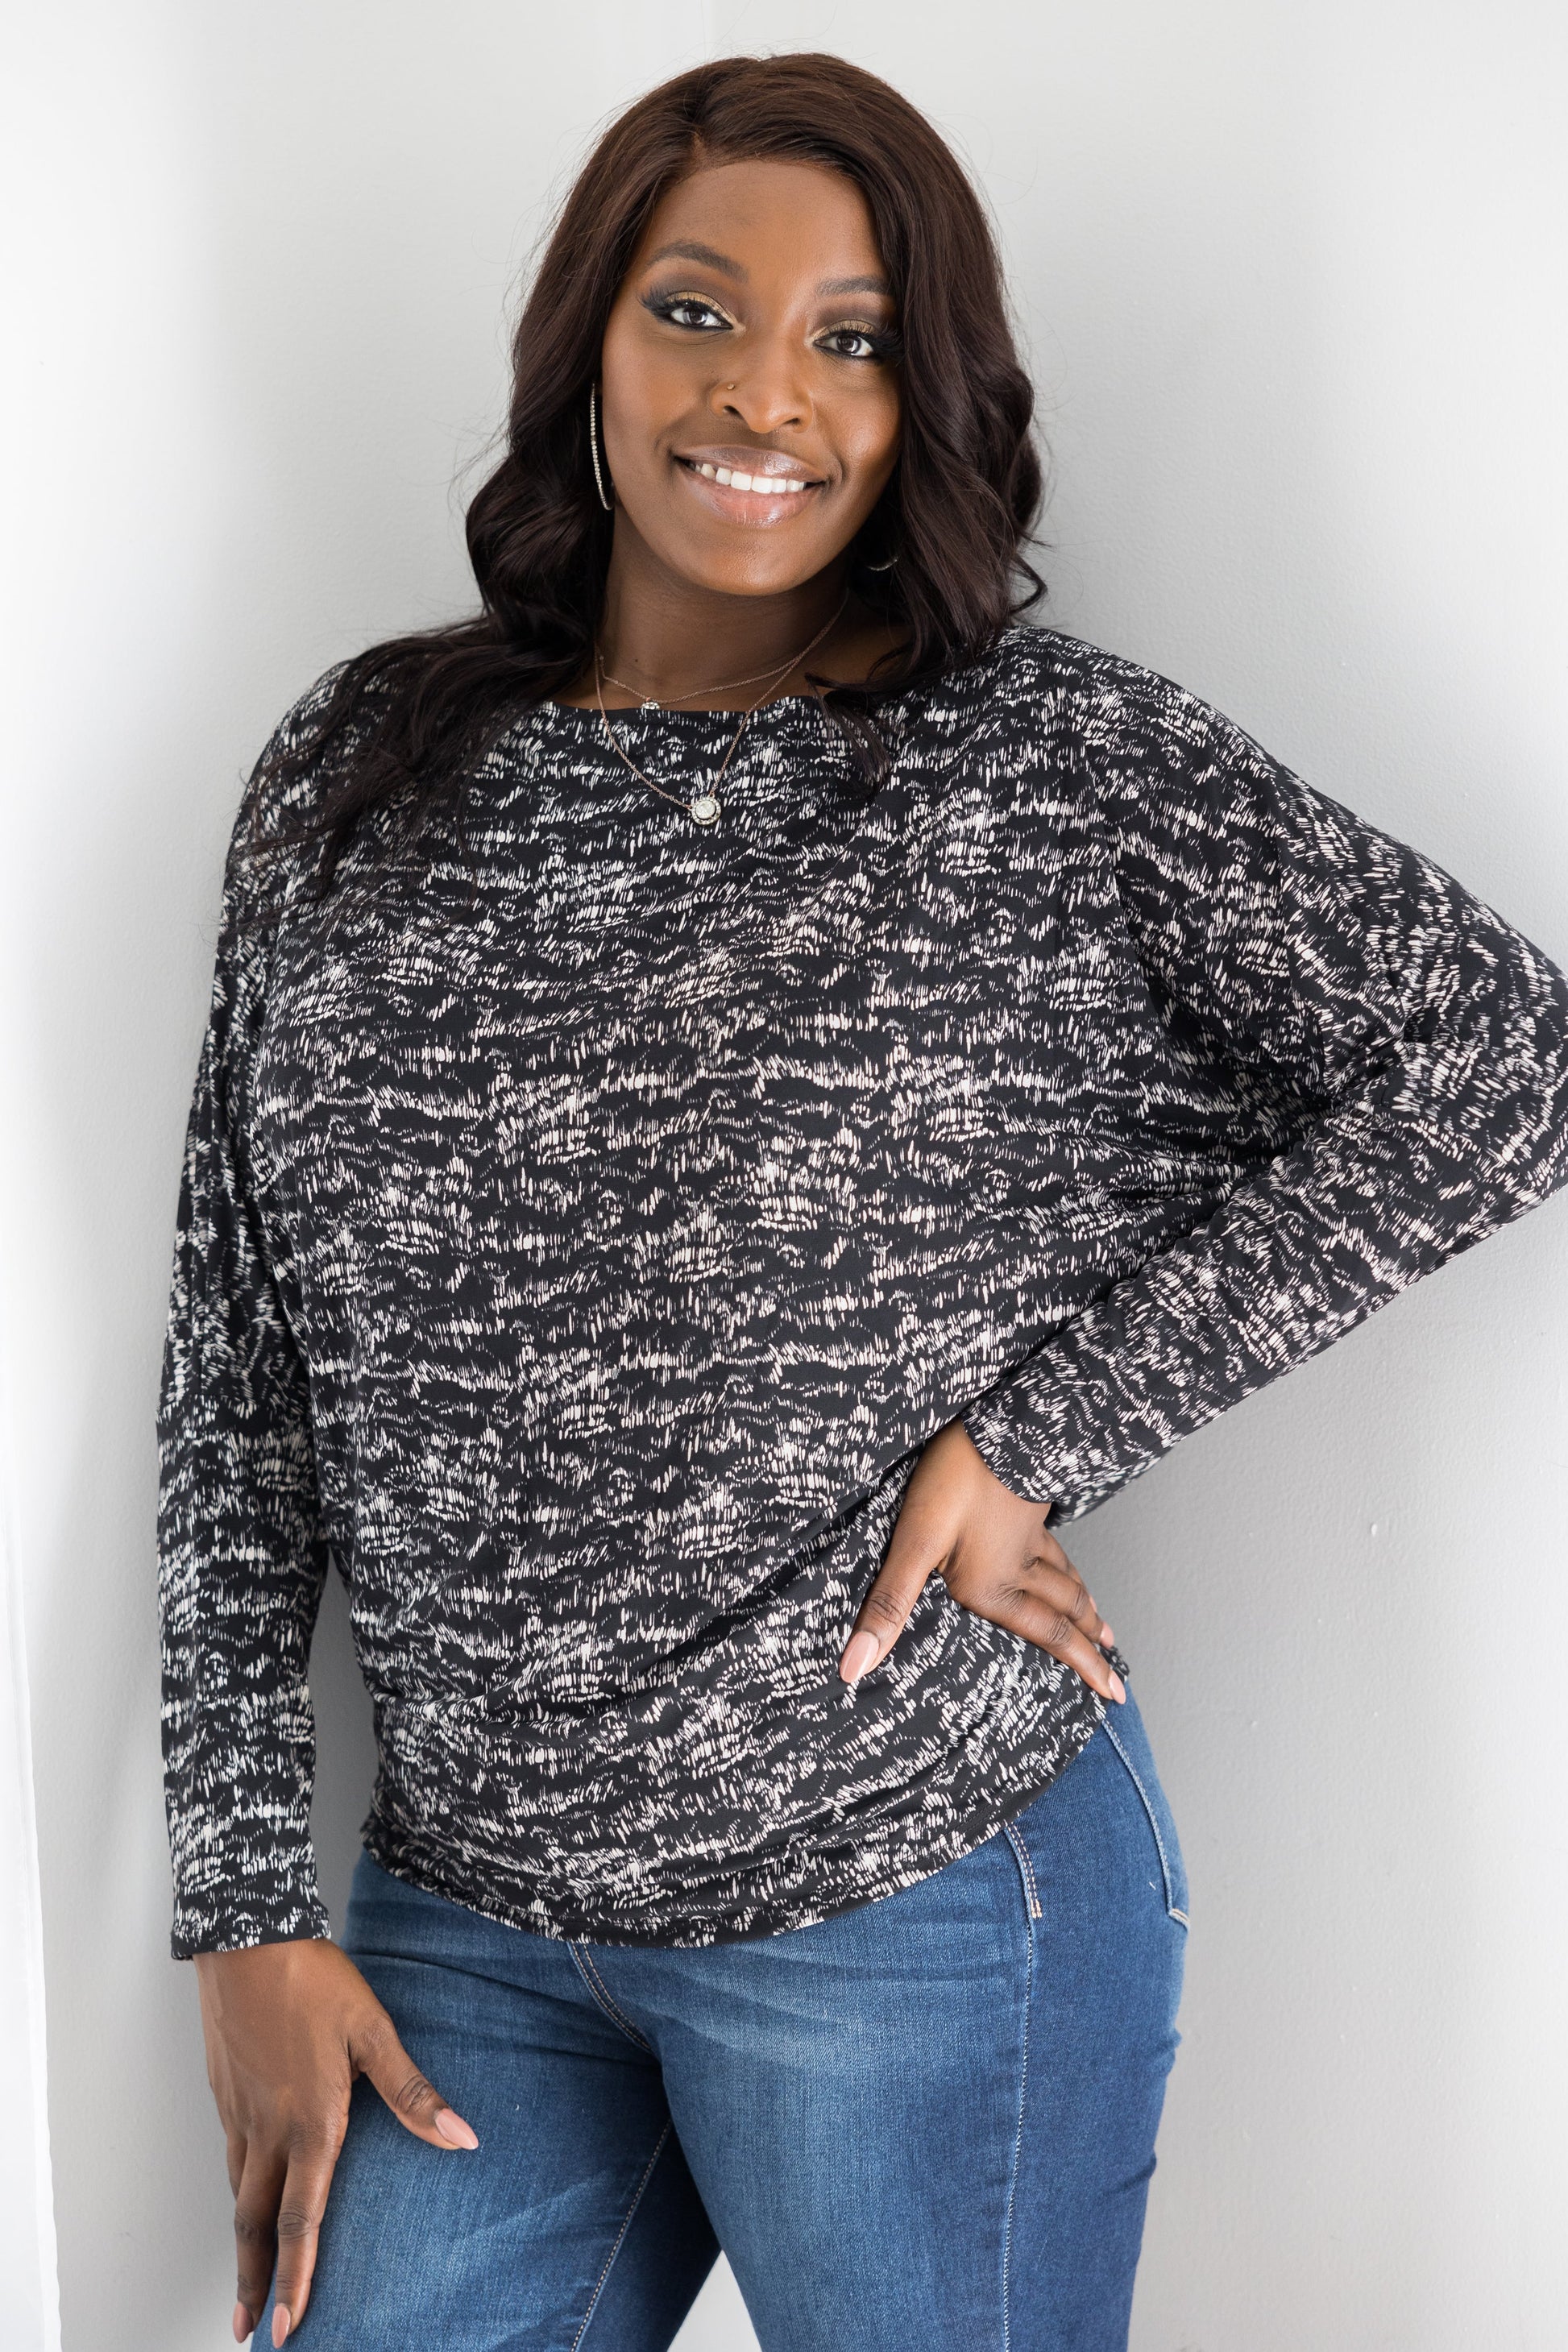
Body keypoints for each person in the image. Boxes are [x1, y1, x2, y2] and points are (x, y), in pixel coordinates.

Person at [157, 50, 1568, 2352]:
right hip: (464, 1922)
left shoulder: (1043, 763)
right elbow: (239, 1359)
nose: (765, 397)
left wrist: (1040, 1434)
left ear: (928, 402)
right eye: (695, 311)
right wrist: (239, 1905)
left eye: (854, 340)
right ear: (588, 345)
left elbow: (1503, 1060)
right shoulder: (357, 767)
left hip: (912, 1895)